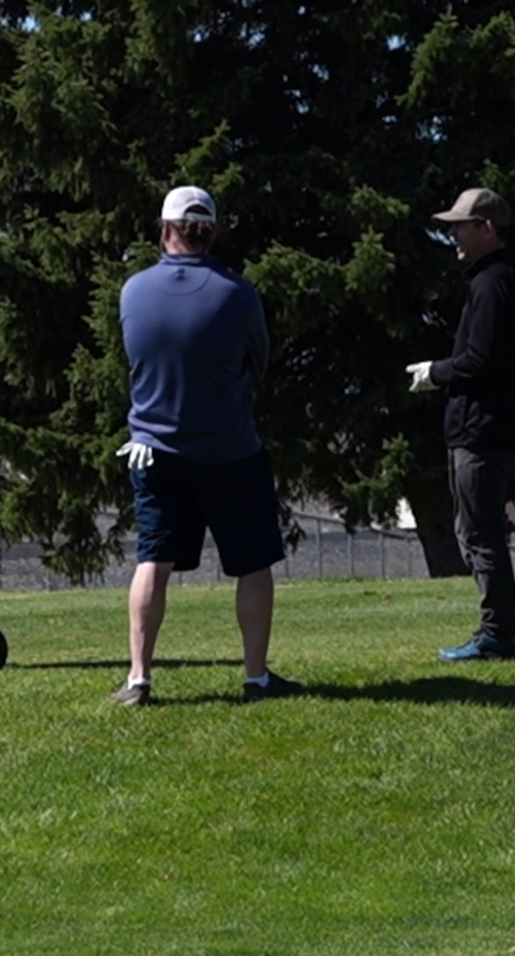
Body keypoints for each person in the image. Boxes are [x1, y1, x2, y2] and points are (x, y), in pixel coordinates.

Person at [112, 186, 302, 705]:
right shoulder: (237, 295)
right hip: (230, 449)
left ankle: (139, 678)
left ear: (165, 228)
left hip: (154, 449)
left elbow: (134, 359)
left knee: (154, 559)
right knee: (252, 562)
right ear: (211, 231)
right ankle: (256, 677)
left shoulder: (133, 291)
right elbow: (258, 364)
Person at [405, 187, 515, 661]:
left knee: (480, 534)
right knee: (477, 532)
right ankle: (501, 630)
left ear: (488, 229)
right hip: (488, 427)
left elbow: (479, 359)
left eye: (461, 225)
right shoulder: (498, 279)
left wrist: (435, 372)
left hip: (482, 430)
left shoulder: (492, 283)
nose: (452, 234)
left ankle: (499, 633)